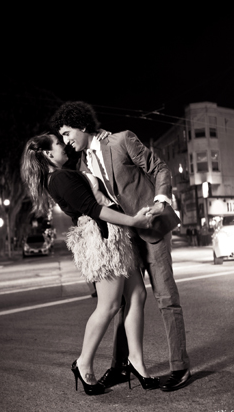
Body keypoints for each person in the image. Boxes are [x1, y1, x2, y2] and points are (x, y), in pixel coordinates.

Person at [51, 101, 191, 392]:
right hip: (124, 236)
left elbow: (159, 168)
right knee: (127, 301)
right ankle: (120, 367)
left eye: (67, 133)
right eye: (62, 137)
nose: (66, 141)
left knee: (165, 297)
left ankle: (180, 366)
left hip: (150, 226)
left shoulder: (122, 139)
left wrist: (160, 201)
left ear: (82, 125)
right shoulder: (82, 164)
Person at [21, 132, 158, 395]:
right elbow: (94, 210)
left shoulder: (63, 173)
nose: (64, 145)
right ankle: (83, 362)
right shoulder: (59, 178)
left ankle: (136, 362)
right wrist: (135, 222)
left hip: (114, 235)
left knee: (137, 294)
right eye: (59, 143)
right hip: (103, 237)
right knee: (109, 305)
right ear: (48, 154)